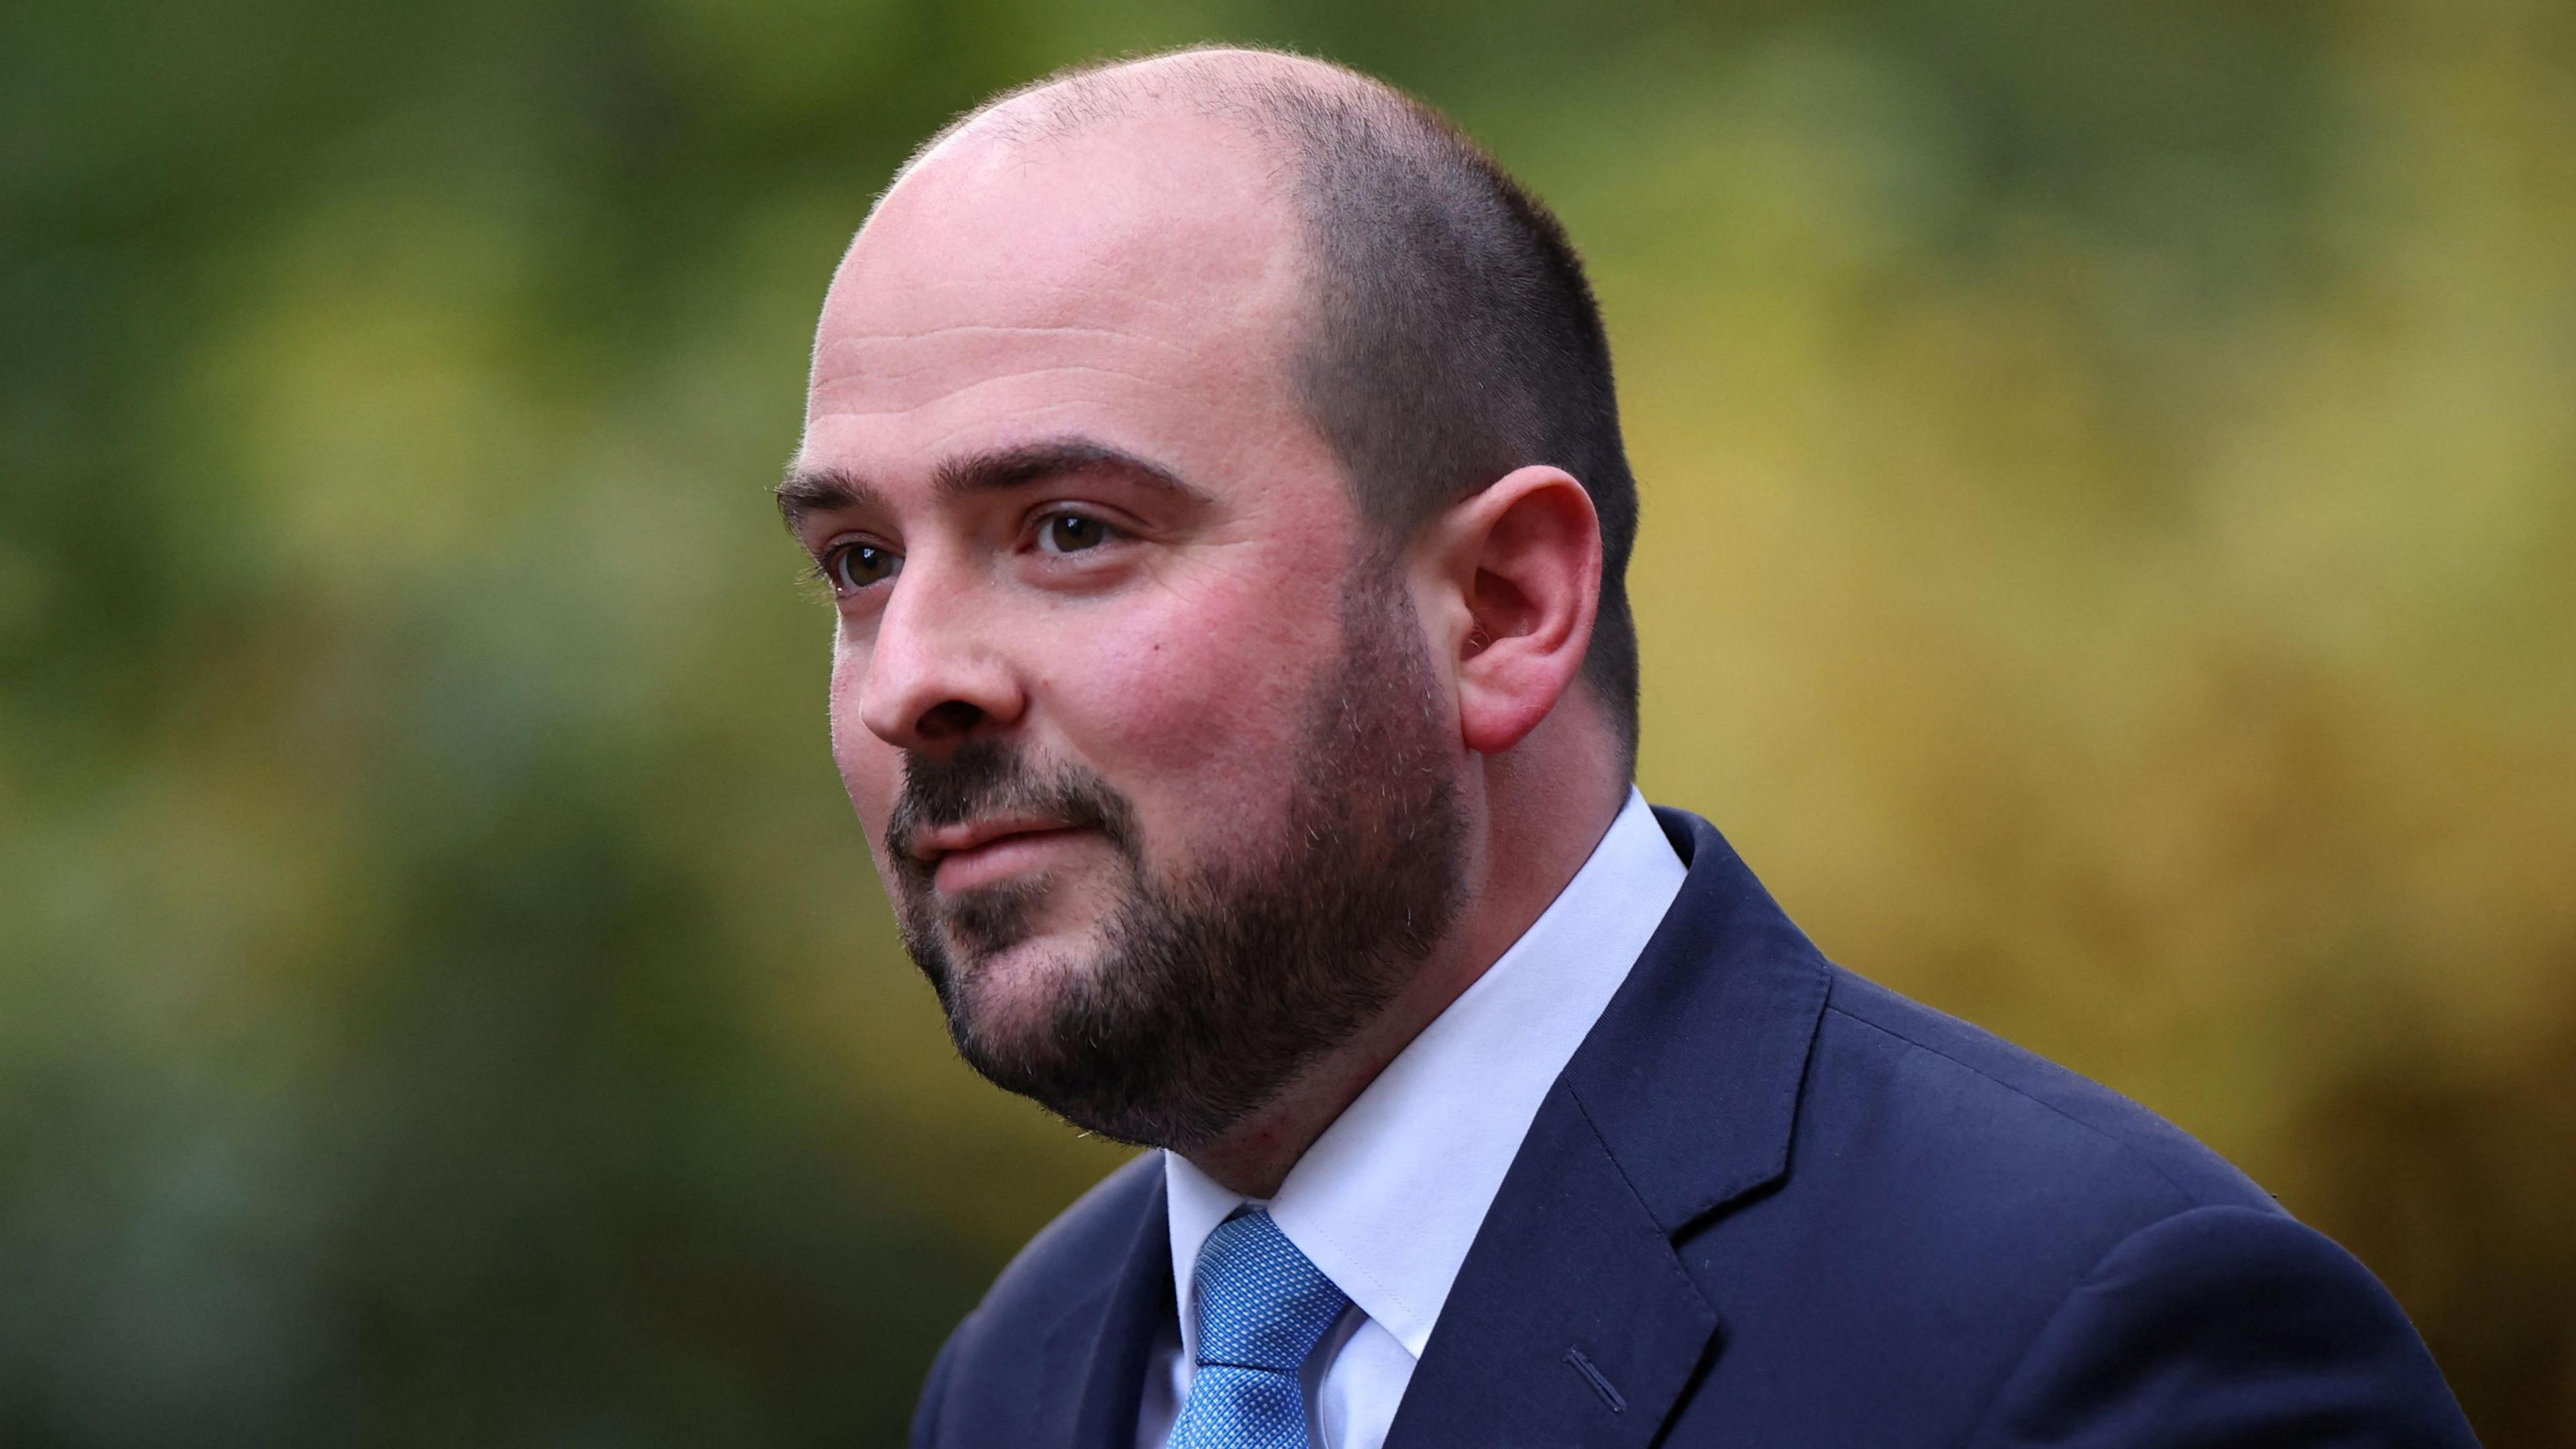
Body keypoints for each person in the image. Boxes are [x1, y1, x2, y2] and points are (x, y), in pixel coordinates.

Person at [777, 44, 2477, 1449]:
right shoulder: (1023, 1377)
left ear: (1505, 608)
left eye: (1071, 527)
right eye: (859, 562)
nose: (908, 678)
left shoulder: (2102, 1352)